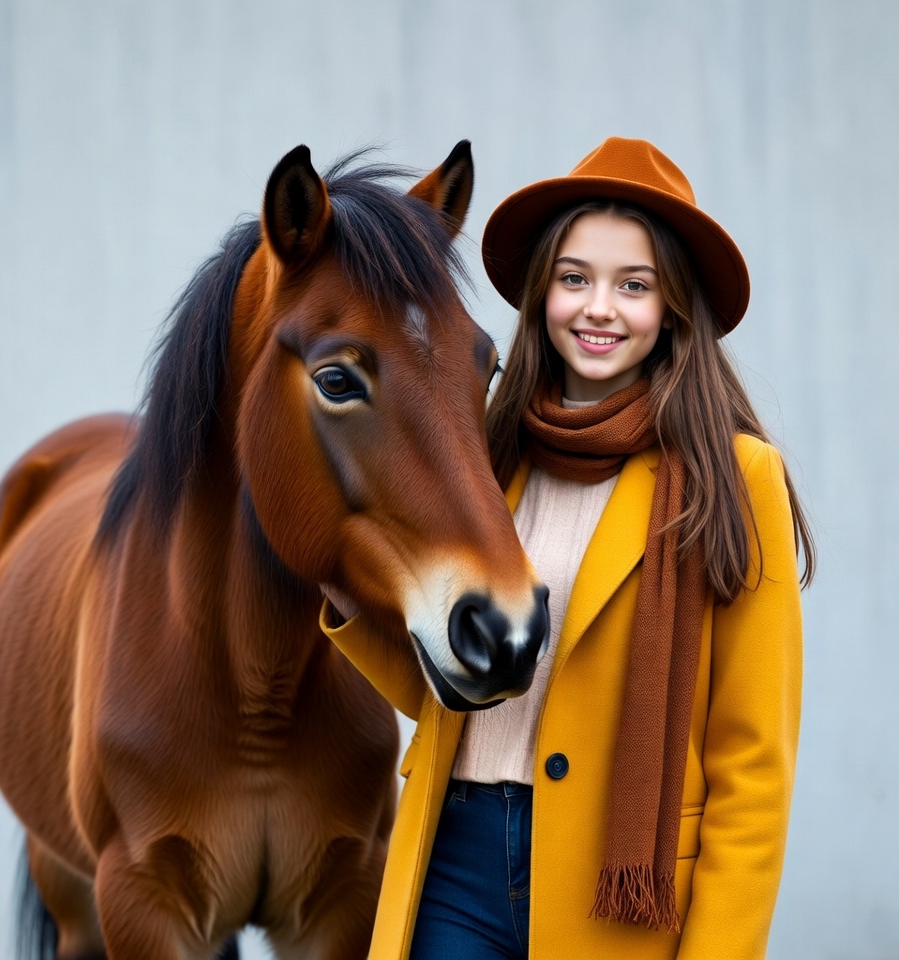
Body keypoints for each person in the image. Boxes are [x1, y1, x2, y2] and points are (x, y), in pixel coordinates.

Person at [320, 137, 814, 959]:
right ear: (543, 290)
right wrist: (345, 610)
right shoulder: (486, 454)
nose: (599, 308)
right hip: (455, 858)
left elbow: (753, 768)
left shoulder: (736, 476)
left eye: (634, 285)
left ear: (672, 308)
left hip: (619, 893)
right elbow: (454, 687)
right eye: (576, 278)